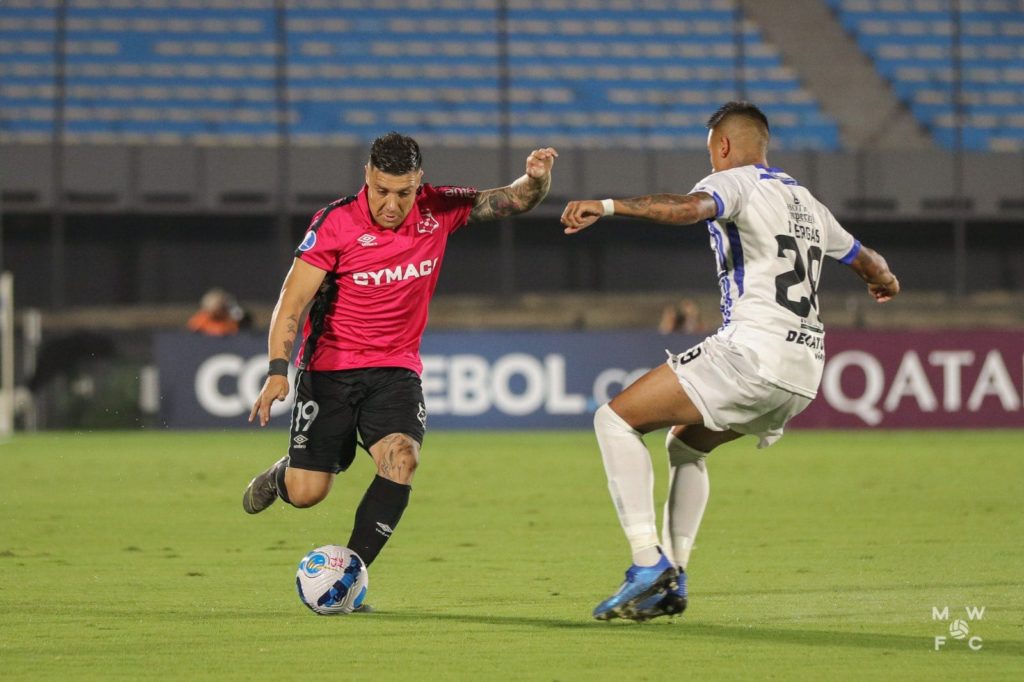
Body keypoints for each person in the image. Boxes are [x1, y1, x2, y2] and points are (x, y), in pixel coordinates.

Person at [560, 101, 899, 622]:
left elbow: (687, 208)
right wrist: (883, 281)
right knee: (686, 446)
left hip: (752, 353)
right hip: (804, 373)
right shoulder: (806, 202)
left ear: (722, 146)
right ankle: (675, 580)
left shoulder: (736, 182)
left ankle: (647, 564)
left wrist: (608, 205)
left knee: (614, 420)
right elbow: (867, 260)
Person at [243, 132, 557, 600]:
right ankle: (283, 474)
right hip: (330, 372)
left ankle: (345, 578)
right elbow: (293, 302)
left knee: (402, 459)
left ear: (419, 183)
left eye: (404, 193)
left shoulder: (437, 209)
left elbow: (511, 200)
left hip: (395, 371)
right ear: (367, 177)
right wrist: (276, 369)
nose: (392, 204)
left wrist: (537, 179)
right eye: (382, 191)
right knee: (309, 492)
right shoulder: (334, 224)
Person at [187, 288, 251, 336]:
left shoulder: (231, 319)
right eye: (218, 304)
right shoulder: (200, 320)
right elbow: (193, 332)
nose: (220, 308)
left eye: (222, 305)